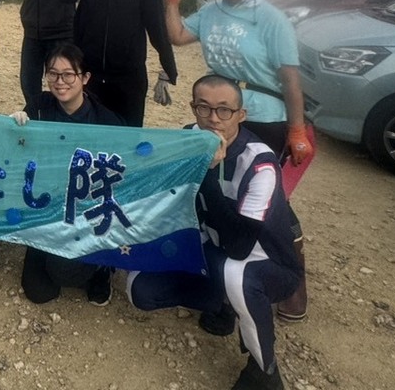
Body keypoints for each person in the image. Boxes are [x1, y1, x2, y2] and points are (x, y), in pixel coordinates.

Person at [163, 0, 313, 322]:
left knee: (268, 196)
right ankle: (225, 276)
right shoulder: (211, 12)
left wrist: (297, 129)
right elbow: (178, 35)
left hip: (264, 116)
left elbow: (290, 80)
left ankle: (292, 283)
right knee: (219, 184)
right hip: (219, 110)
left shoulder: (271, 18)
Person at [127, 75, 301, 390]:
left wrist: (208, 172)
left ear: (241, 115)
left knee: (236, 274)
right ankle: (222, 303)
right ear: (193, 108)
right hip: (210, 244)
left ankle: (265, 371)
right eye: (204, 108)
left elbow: (239, 246)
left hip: (264, 261)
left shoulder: (259, 163)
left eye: (224, 111)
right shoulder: (189, 138)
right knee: (140, 288)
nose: (213, 119)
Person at [8, 43, 124, 305]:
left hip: (84, 212)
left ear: (85, 78)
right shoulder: (39, 106)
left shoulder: (107, 123)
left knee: (64, 273)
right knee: (39, 292)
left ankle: (101, 268)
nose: (60, 82)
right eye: (53, 74)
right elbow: (18, 154)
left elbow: (120, 176)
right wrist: (14, 128)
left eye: (68, 74)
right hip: (47, 209)